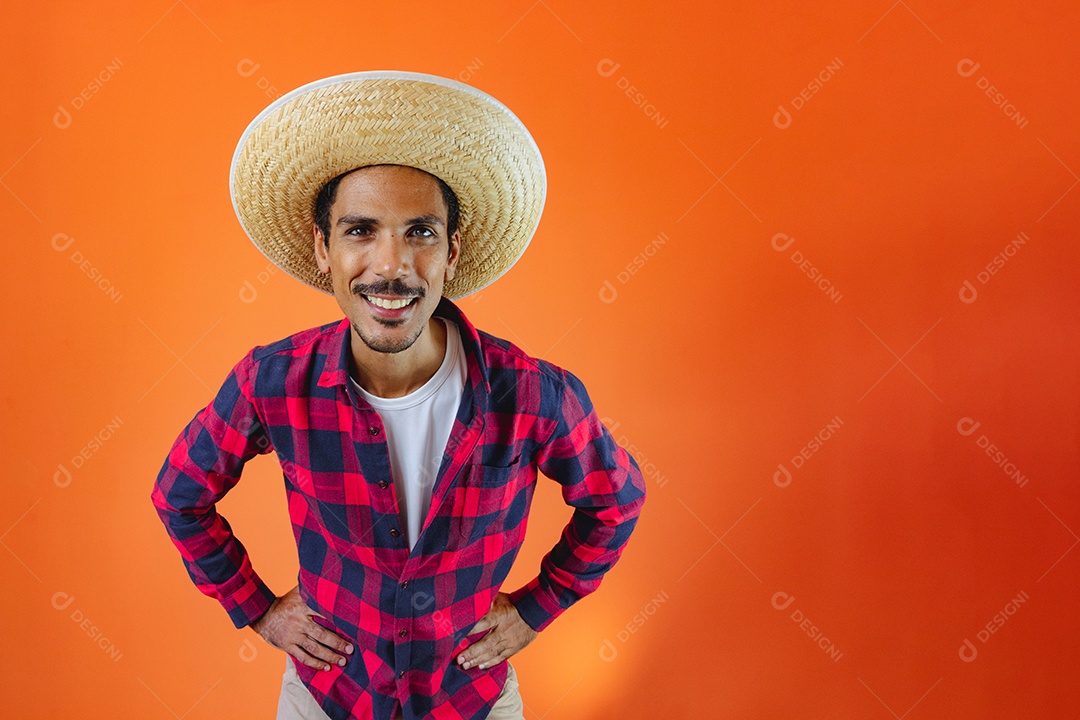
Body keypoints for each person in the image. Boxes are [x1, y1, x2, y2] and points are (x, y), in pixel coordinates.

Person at [151, 71, 647, 720]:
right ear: (323, 249)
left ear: (451, 253)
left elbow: (616, 502)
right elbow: (179, 496)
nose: (391, 265)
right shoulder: (271, 381)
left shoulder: (532, 394)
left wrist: (537, 608)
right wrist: (258, 610)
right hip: (325, 698)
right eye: (360, 231)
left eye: (420, 232)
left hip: (471, 699)